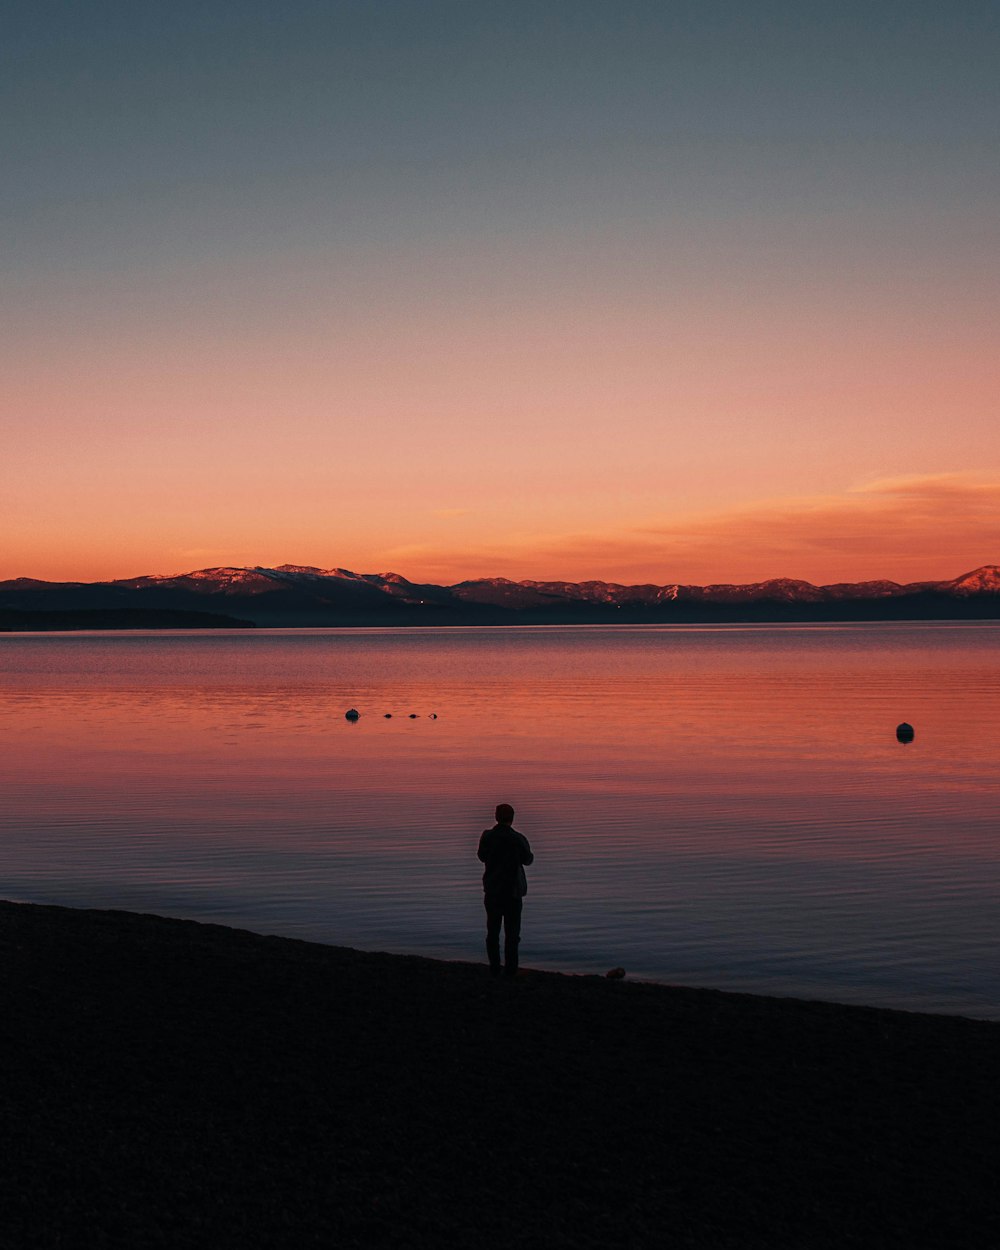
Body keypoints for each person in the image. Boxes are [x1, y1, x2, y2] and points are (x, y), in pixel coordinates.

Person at [477, 803, 533, 978]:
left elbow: (481, 856)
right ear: (512, 818)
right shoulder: (518, 838)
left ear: (496, 817)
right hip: (512, 892)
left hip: (493, 890)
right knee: (512, 933)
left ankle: (494, 968)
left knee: (492, 931)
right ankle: (510, 970)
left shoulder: (487, 836)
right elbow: (528, 859)